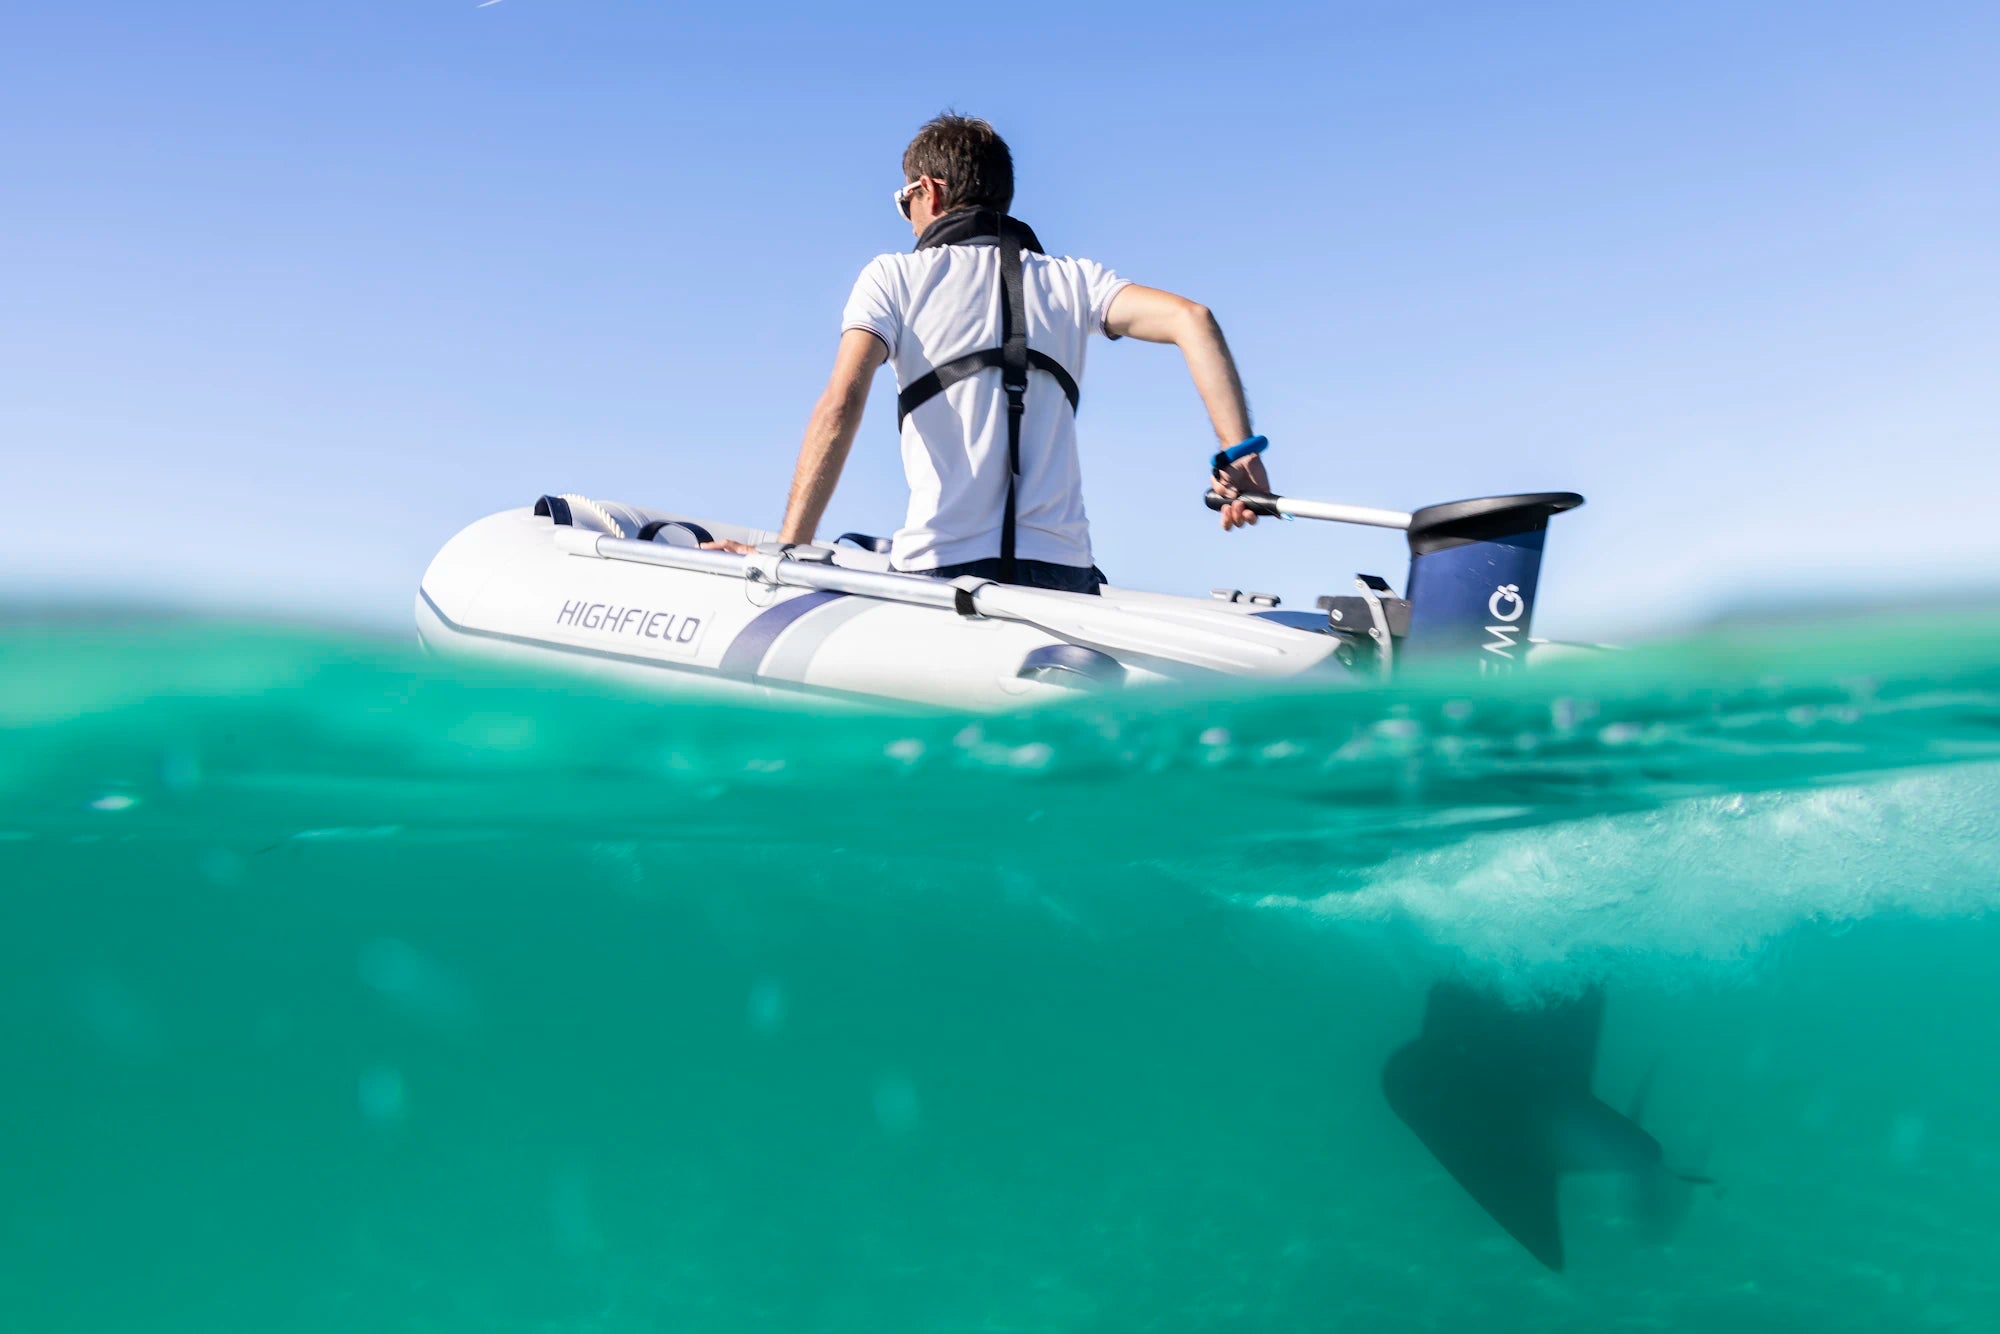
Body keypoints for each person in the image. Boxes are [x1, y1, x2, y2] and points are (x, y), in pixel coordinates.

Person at [707, 113, 1271, 593]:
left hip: (943, 571)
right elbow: (1191, 319)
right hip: (1064, 573)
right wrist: (1239, 454)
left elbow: (840, 404)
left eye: (904, 202)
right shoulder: (1075, 281)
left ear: (929, 192)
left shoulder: (892, 276)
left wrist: (786, 551)